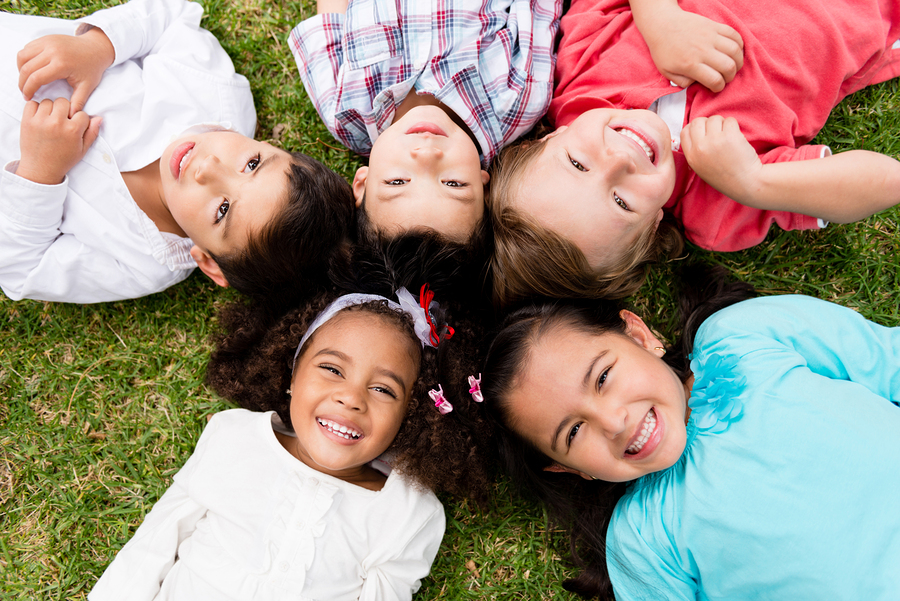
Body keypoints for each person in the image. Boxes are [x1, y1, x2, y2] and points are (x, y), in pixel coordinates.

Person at [480, 269, 900, 599]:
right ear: (569, 469)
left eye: (603, 377)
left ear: (640, 336)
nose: (613, 422)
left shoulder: (741, 337)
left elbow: (889, 361)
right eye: (573, 432)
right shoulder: (640, 542)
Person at [90, 285, 491, 600]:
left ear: (410, 415)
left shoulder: (408, 511)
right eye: (332, 369)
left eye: (384, 390)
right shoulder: (236, 437)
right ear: (292, 372)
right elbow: (155, 543)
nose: (351, 398)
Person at [487, 0, 900, 305]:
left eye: (578, 163)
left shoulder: (578, 80)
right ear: (651, 230)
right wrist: (754, 182)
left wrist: (661, 21)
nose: (619, 160)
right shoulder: (715, 205)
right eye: (621, 201)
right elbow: (885, 181)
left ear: (545, 139)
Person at [0, 0, 353, 304]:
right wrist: (98, 47)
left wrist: (40, 171)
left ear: (209, 262)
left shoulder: (142, 264)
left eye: (222, 209)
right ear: (272, 147)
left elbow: (22, 269)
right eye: (251, 164)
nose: (208, 168)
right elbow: (172, 16)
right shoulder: (217, 95)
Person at [289, 0, 561, 243]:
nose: (427, 154)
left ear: (363, 182)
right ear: (484, 187)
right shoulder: (519, 99)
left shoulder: (343, 111)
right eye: (453, 183)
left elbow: (330, 18)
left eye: (397, 182)